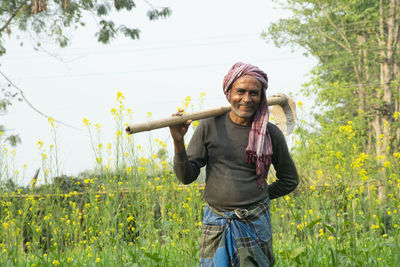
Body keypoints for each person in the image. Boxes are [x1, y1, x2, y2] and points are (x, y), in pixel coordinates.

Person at [169, 62, 299, 266]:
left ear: (261, 97)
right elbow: (186, 177)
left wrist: (261, 195)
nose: (247, 99)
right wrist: (178, 141)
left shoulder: (270, 133)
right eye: (240, 91)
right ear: (229, 93)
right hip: (217, 221)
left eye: (254, 93)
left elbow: (290, 180)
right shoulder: (209, 125)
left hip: (254, 222)